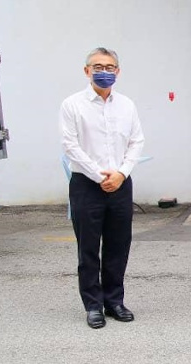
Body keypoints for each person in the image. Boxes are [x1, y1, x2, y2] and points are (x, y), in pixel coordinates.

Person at [60, 47, 145, 329]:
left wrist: (121, 174)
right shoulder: (72, 105)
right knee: (88, 248)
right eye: (98, 66)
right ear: (87, 71)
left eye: (110, 67)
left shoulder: (127, 105)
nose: (104, 71)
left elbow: (136, 142)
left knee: (118, 246)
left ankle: (114, 301)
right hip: (86, 184)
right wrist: (100, 176)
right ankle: (93, 305)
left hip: (121, 183)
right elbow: (70, 146)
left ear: (118, 71)